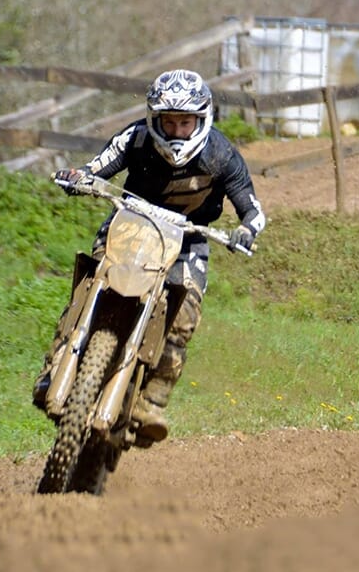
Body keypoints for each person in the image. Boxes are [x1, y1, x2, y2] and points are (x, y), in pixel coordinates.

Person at [33, 69, 266, 442]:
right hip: (130, 224)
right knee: (90, 283)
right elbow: (98, 165)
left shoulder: (223, 155)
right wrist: (80, 176)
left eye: (184, 122)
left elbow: (252, 210)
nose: (175, 131)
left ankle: (152, 402)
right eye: (168, 122)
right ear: (153, 118)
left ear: (201, 120)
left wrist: (246, 231)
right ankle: (53, 368)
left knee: (185, 315)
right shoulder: (136, 138)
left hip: (189, 239)